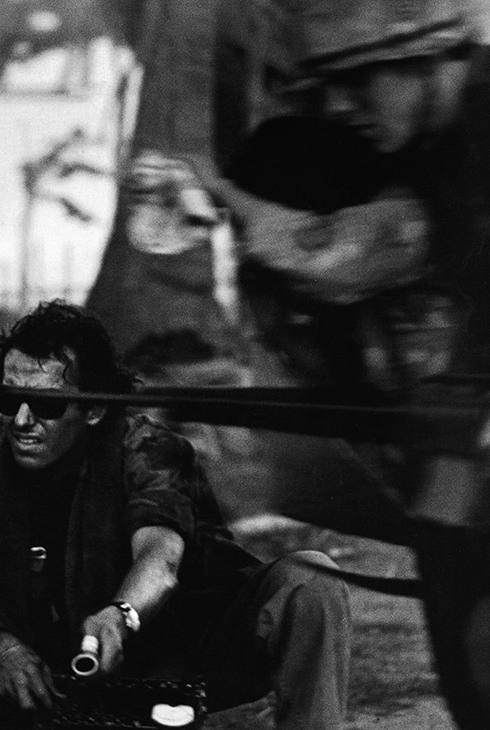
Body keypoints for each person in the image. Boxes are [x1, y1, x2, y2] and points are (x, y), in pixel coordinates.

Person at [211, 1, 490, 726]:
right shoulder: (424, 150)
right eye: (329, 84)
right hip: (458, 466)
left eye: (360, 79)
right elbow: (352, 252)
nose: (341, 106)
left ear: (431, 52)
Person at [0, 300, 351, 730]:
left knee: (310, 582)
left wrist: (121, 615)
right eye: (8, 399)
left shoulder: (149, 450)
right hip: (77, 671)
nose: (23, 420)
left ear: (94, 409)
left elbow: (161, 557)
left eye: (47, 404)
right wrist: (7, 653)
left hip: (193, 650)